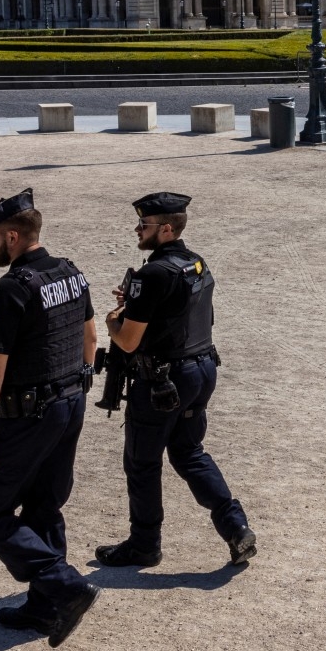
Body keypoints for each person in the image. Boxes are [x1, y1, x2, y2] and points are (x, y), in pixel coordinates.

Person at [96, 191, 257, 569]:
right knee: (189, 453)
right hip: (202, 371)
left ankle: (144, 545)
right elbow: (183, 312)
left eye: (144, 225)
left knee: (142, 462)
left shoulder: (152, 273)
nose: (137, 229)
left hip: (162, 382)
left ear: (165, 229)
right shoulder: (195, 263)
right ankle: (236, 528)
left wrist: (113, 321)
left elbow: (129, 340)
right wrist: (138, 304)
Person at [0, 187, 100, 645]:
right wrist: (75, 388)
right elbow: (90, 338)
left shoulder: (11, 289)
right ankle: (45, 608)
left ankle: (65, 587)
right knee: (45, 504)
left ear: (11, 236)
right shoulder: (70, 272)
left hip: (28, 414)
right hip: (70, 402)